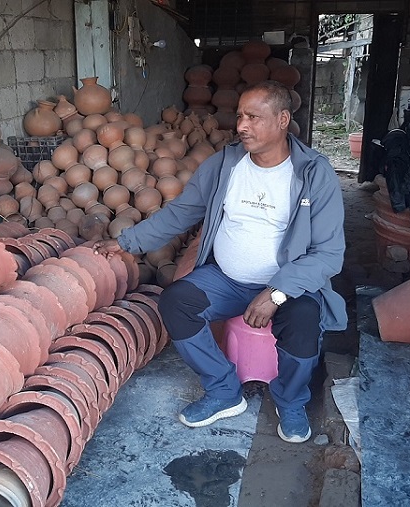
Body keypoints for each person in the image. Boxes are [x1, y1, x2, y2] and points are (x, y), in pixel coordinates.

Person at [93, 80, 346, 443]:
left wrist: (276, 293)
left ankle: (291, 401)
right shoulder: (225, 164)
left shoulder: (313, 173)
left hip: (288, 288)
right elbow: (181, 213)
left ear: (282, 120)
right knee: (176, 302)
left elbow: (328, 253)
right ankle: (224, 390)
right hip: (227, 281)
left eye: (254, 117)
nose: (242, 125)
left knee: (305, 320)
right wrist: (127, 243)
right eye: (240, 116)